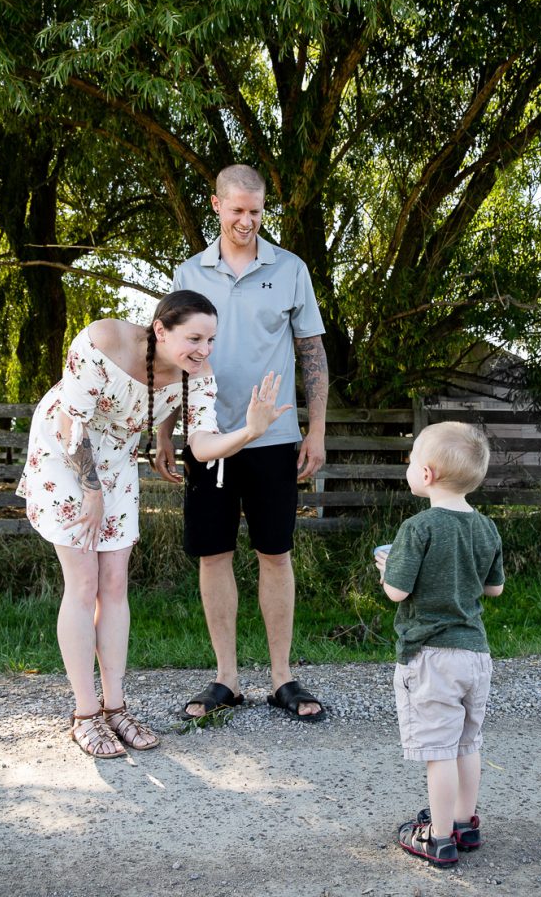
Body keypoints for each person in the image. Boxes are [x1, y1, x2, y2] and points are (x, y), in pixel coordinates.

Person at [17, 290, 290, 758]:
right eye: (194, 338)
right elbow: (70, 425)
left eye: (210, 340)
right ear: (161, 329)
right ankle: (85, 714)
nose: (204, 351)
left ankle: (115, 708)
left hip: (118, 458)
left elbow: (202, 446)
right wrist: (92, 491)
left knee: (115, 582)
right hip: (66, 454)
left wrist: (250, 432)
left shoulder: (196, 376)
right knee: (83, 584)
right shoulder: (105, 339)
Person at [155, 164, 329, 722]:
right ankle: (226, 678)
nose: (247, 220)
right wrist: (164, 430)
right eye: (237, 211)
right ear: (216, 206)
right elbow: (167, 356)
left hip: (274, 437)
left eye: (255, 211)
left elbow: (312, 354)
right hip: (208, 436)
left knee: (274, 554)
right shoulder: (189, 271)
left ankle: (282, 678)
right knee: (214, 554)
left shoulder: (291, 269)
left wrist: (316, 429)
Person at [374, 421, 505, 868]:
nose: (409, 468)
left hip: (430, 655)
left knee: (439, 750)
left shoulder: (419, 527)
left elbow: (396, 591)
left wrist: (386, 568)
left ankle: (439, 836)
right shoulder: (486, 527)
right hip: (475, 653)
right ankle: (466, 822)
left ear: (427, 475)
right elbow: (494, 589)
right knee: (468, 743)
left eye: (412, 460)